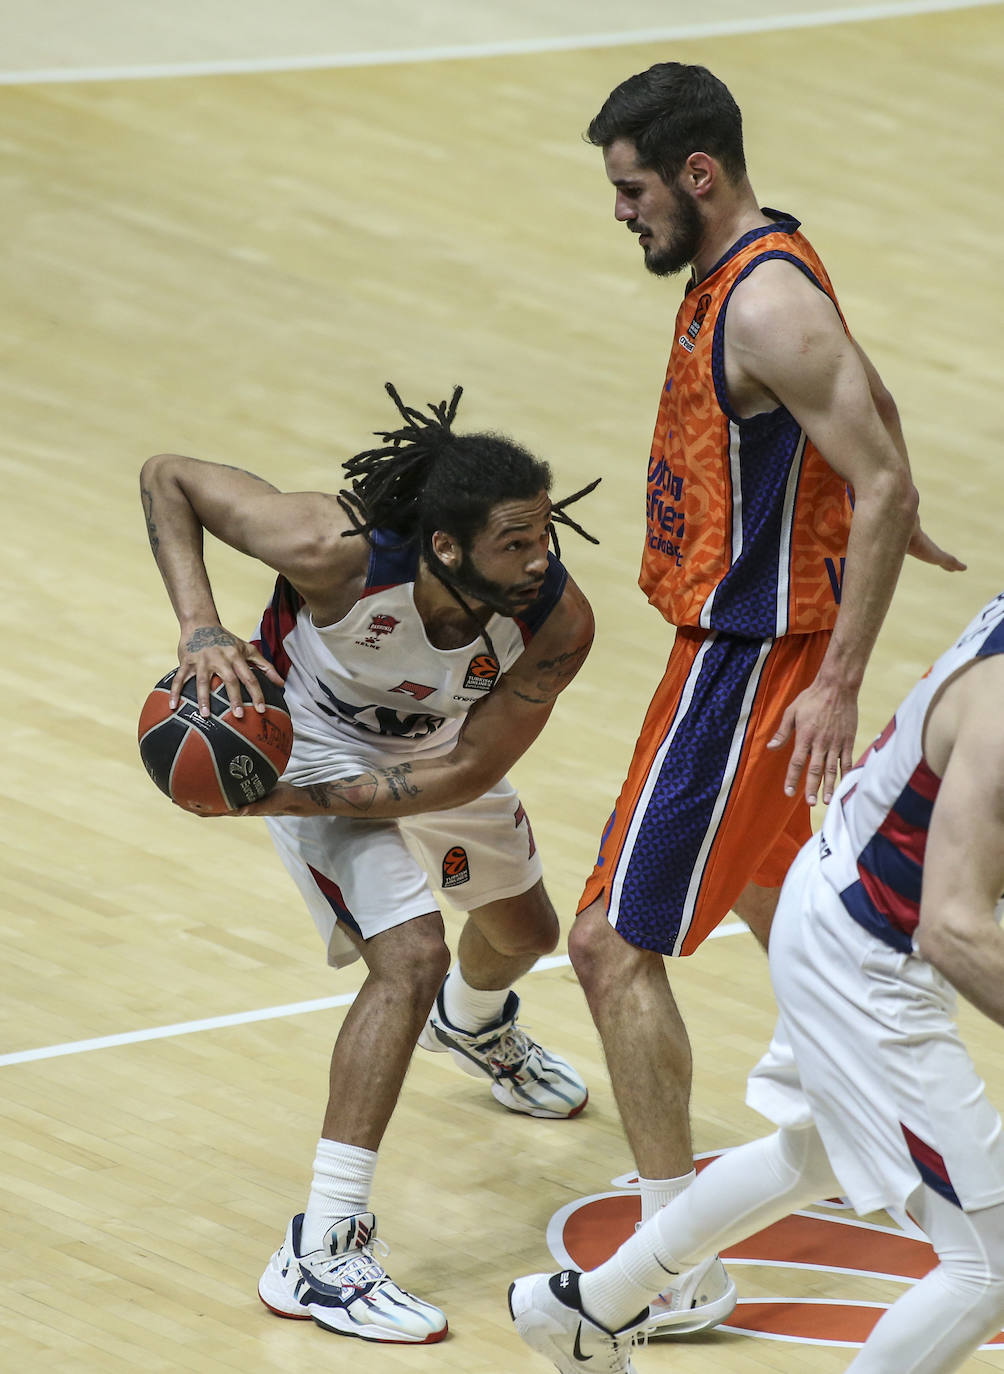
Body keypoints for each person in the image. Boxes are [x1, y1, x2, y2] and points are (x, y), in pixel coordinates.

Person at [565, 60, 965, 1336]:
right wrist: (880, 495)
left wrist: (842, 667)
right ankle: (867, 1118)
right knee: (776, 899)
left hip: (748, 659)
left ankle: (672, 1265)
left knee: (607, 945)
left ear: (697, 174)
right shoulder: (753, 275)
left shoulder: (767, 302)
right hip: (755, 646)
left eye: (630, 190)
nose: (619, 212)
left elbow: (881, 470)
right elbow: (873, 422)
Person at [139, 382, 597, 1345]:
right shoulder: (330, 550)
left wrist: (286, 806)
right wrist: (200, 627)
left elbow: (469, 766)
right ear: (444, 547)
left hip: (436, 754)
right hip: (307, 740)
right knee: (412, 953)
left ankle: (469, 1028)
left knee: (524, 934)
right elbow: (168, 475)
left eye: (543, 536)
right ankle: (321, 1252)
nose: (539, 560)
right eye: (515, 542)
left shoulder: (555, 621)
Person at [510, 587, 1004, 1373]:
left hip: (838, 898)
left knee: (812, 1155)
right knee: (988, 1263)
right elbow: (956, 927)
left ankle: (589, 1313)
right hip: (866, 954)